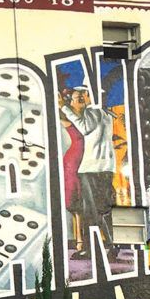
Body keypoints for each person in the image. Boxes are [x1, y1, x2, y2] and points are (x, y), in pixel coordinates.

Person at [59, 85, 118, 260]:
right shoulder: (106, 114)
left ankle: (94, 248)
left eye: (84, 94)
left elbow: (84, 128)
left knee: (91, 212)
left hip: (91, 168)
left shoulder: (93, 112)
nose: (83, 97)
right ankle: (109, 245)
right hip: (105, 167)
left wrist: (64, 108)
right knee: (102, 210)